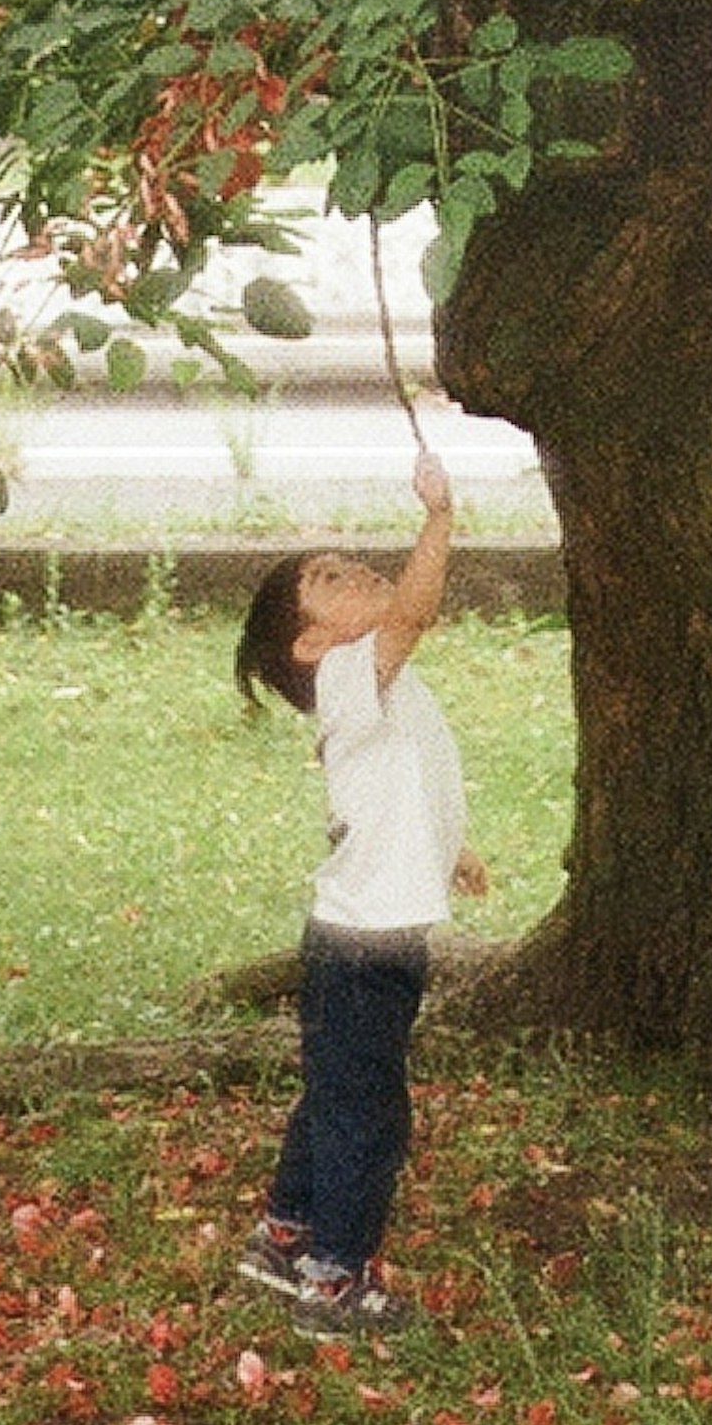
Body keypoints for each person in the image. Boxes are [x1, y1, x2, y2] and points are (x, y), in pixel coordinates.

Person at [231, 441, 486, 1328]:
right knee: (367, 1112)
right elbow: (414, 614)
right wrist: (439, 519)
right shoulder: (347, 676)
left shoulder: (383, 684)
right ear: (310, 641)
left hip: (365, 936)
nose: (356, 572)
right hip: (361, 947)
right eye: (329, 579)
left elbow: (405, 789)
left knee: (336, 1093)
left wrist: (451, 848)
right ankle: (336, 1280)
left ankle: (284, 1236)